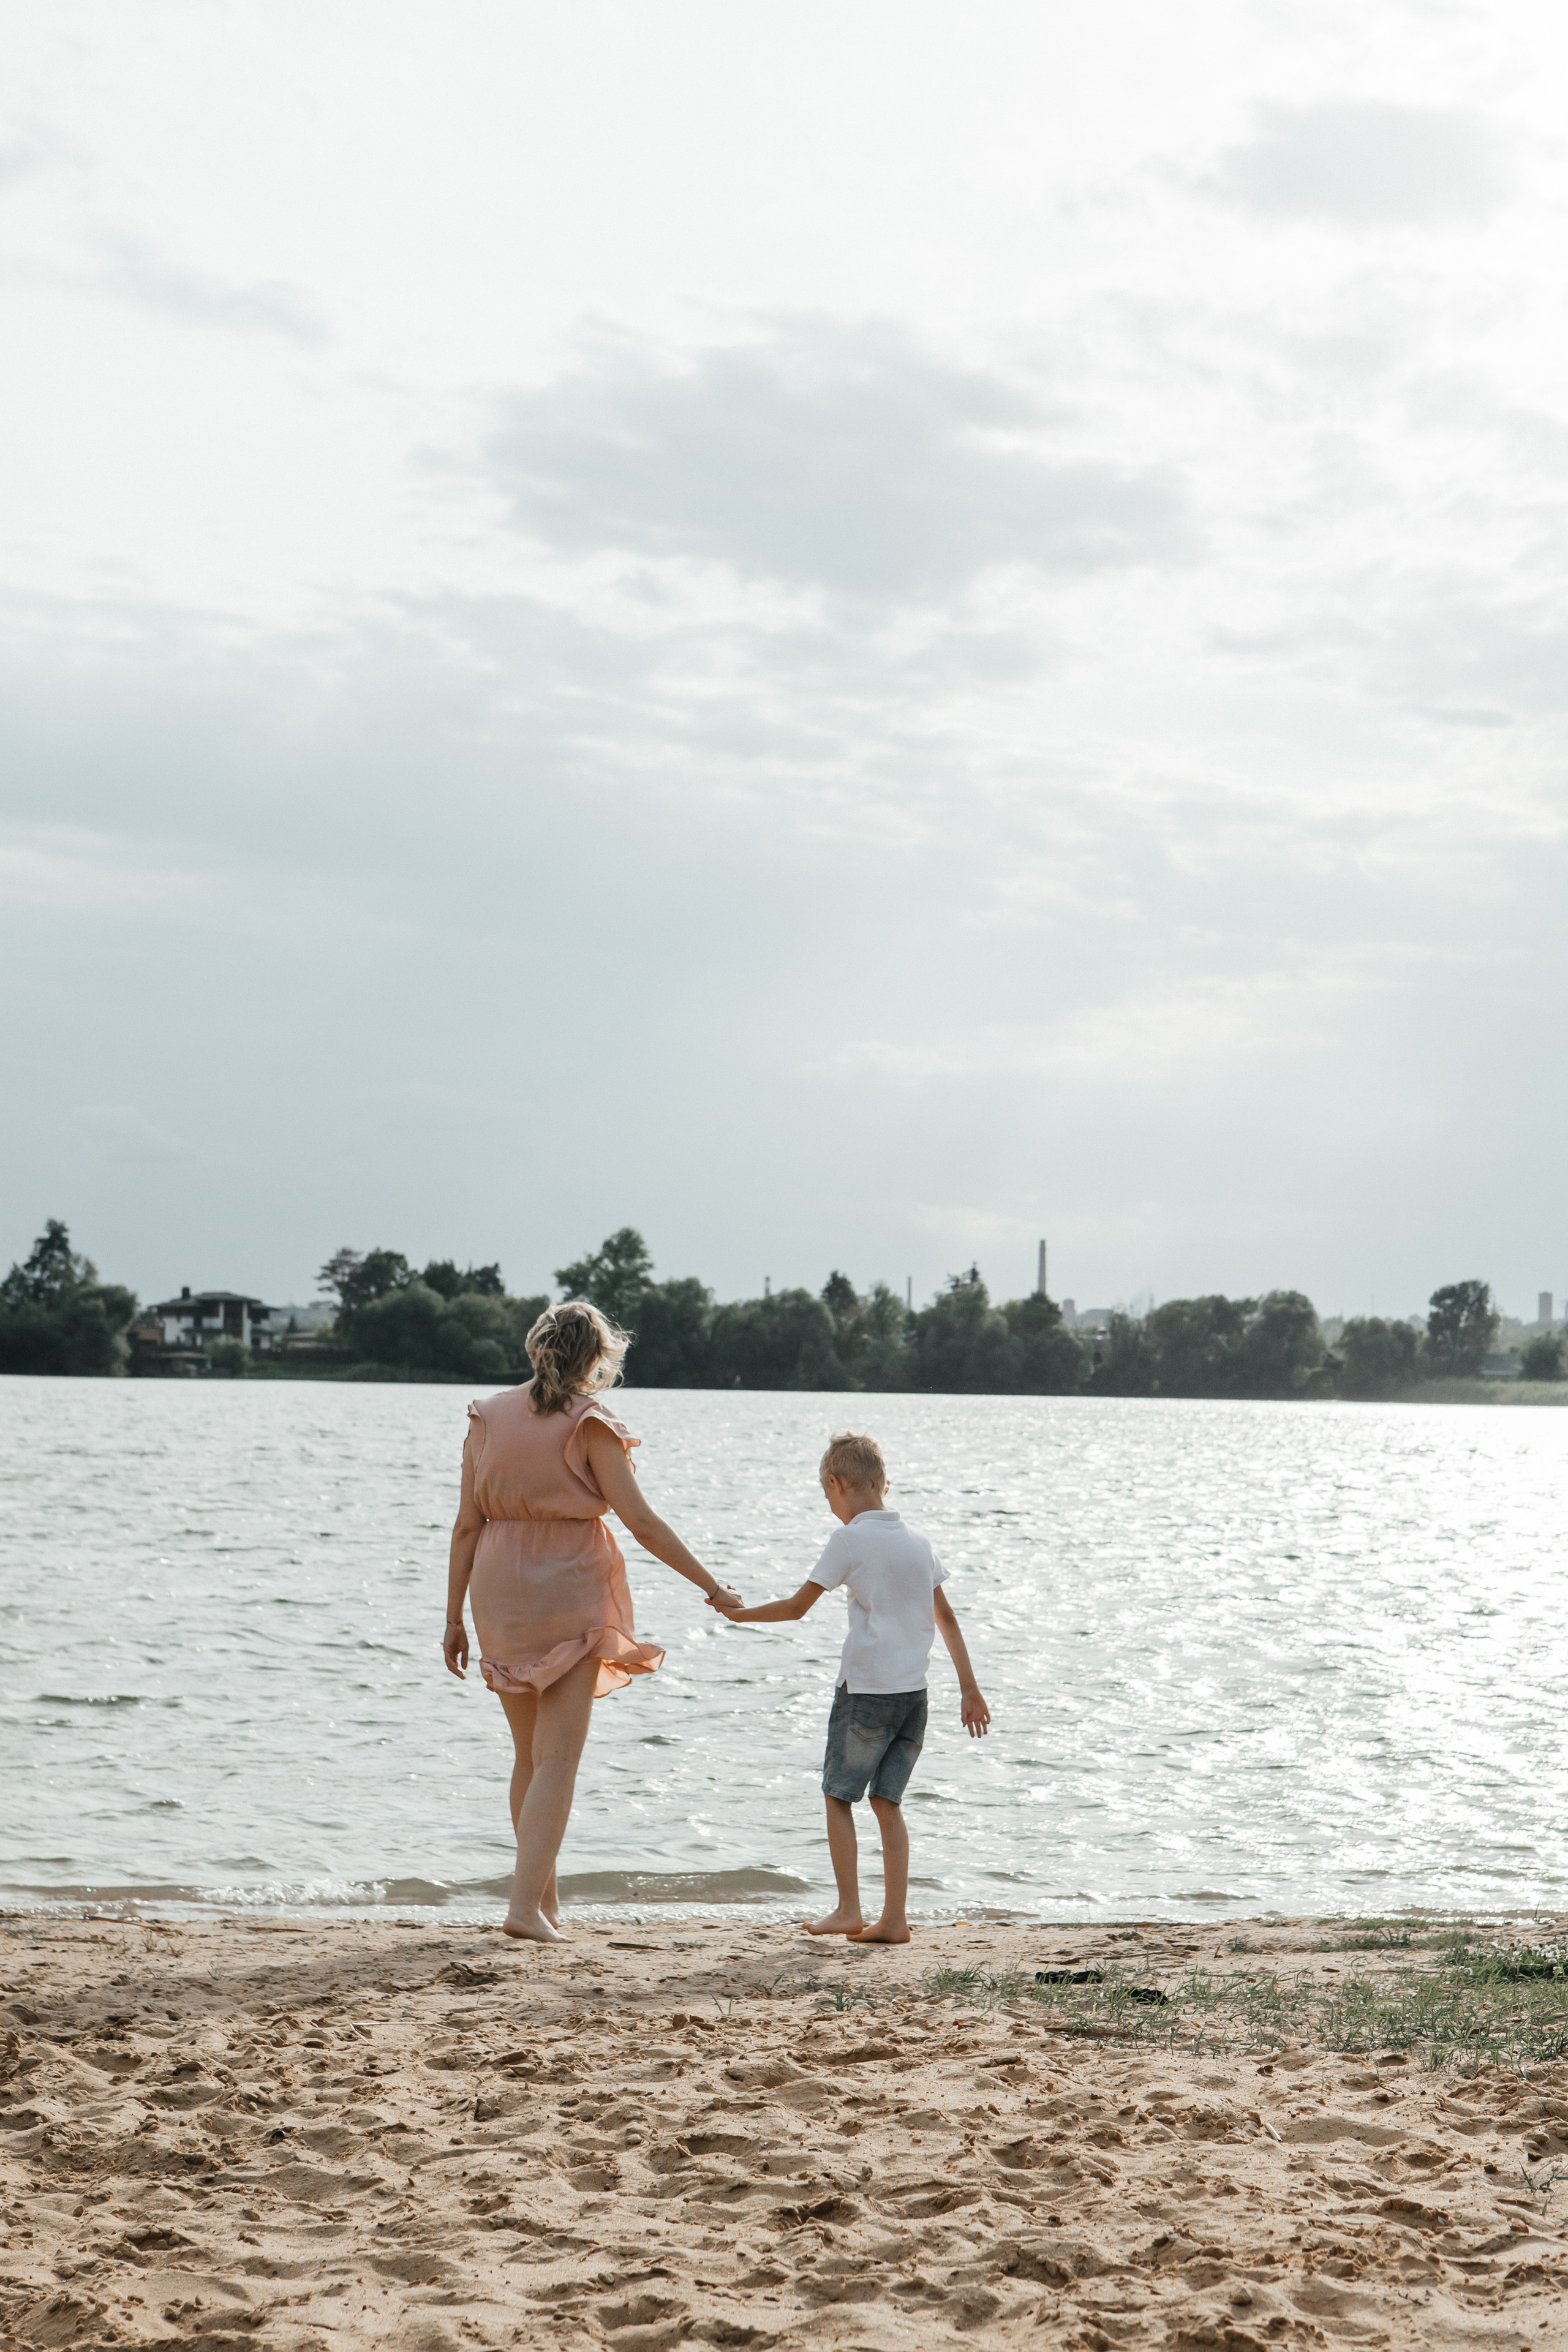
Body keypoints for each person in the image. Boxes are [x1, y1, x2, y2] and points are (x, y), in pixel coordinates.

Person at [442, 1300, 741, 1943]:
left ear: (535, 1347)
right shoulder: (592, 1423)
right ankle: (524, 1910)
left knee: (528, 1755)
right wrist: (711, 1585)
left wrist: (452, 1618)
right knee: (559, 1758)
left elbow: (467, 1524)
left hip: (496, 1583)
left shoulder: (486, 1415)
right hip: (566, 1581)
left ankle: (543, 1905)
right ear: (599, 1358)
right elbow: (641, 1521)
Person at [716, 1429, 989, 1944]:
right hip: (915, 1696)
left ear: (837, 1483)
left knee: (838, 1795)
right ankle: (894, 1919)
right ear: (884, 1482)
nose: (830, 1507)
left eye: (826, 1496)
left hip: (866, 1694)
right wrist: (970, 1689)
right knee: (887, 1804)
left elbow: (797, 1608)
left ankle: (848, 1909)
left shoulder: (849, 1539)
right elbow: (948, 1618)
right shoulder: (918, 1542)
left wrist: (741, 1616)